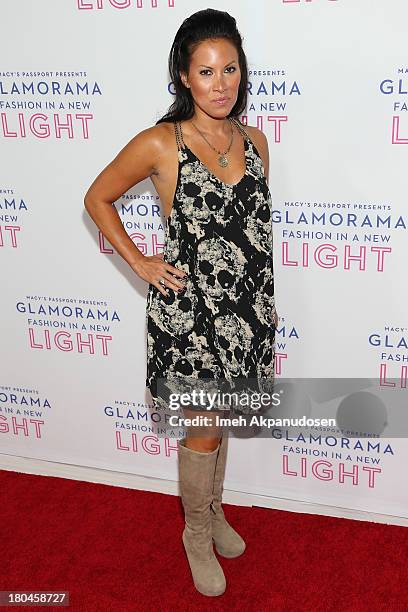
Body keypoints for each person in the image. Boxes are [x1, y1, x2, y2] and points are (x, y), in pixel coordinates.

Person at [84, 8, 277, 598]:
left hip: (246, 311)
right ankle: (196, 531)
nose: (221, 84)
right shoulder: (160, 143)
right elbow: (97, 197)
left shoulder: (257, 141)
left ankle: (213, 512)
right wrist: (140, 261)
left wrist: (263, 311)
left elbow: (253, 236)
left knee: (217, 423)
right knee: (201, 426)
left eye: (231, 70)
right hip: (188, 318)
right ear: (184, 77)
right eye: (206, 71)